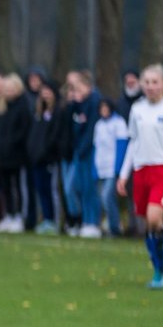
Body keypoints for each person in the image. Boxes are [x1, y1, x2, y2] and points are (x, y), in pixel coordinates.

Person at [118, 64, 163, 289]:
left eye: (155, 82)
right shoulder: (137, 109)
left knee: (155, 218)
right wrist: (123, 174)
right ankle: (158, 271)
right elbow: (132, 142)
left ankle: (160, 271)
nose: (150, 86)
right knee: (148, 225)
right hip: (141, 170)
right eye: (146, 82)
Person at [0, 73, 31, 233]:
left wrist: (12, 144)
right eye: (6, 88)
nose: (8, 91)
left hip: (17, 155)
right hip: (2, 155)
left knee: (18, 187)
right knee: (5, 187)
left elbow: (24, 130)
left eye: (11, 88)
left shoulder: (23, 105)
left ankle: (19, 217)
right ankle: (8, 215)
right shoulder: (1, 106)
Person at [65, 71, 102, 238]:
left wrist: (82, 150)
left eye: (79, 88)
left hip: (89, 152)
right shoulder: (79, 104)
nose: (76, 92)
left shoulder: (94, 102)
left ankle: (92, 222)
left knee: (89, 189)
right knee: (79, 187)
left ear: (88, 86)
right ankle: (85, 222)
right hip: (79, 151)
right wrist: (74, 103)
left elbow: (90, 131)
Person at [25, 82, 62, 234]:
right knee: (41, 190)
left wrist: (46, 153)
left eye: (48, 91)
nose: (45, 94)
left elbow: (54, 138)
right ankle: (46, 219)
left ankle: (55, 221)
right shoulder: (38, 114)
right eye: (43, 91)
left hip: (49, 159)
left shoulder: (57, 113)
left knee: (51, 190)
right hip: (36, 159)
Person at [94, 98, 129, 237]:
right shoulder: (99, 125)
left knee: (107, 196)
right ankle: (109, 223)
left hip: (112, 169)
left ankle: (114, 227)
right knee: (103, 198)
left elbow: (122, 146)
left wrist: (118, 168)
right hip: (101, 168)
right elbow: (96, 148)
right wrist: (94, 168)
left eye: (105, 107)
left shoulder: (118, 123)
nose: (104, 110)